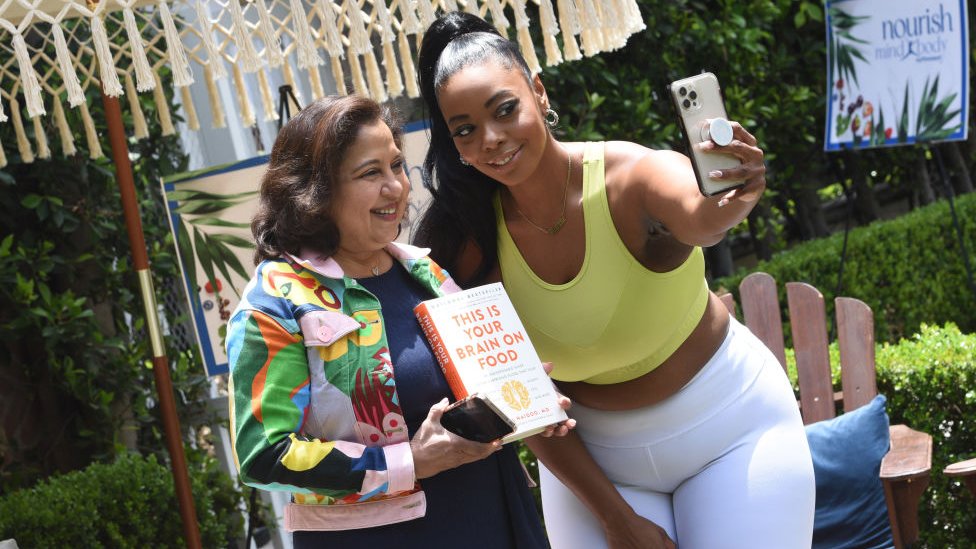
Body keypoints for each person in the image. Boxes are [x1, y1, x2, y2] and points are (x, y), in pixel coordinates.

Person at [414, 11, 815, 549]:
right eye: (464, 130)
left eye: (505, 110)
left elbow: (700, 216)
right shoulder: (466, 242)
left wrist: (731, 199)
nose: (490, 139)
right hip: (594, 466)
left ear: (538, 91)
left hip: (731, 432)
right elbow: (521, 400)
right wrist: (614, 517)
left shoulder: (630, 176)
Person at [226, 94, 568, 548]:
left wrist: (527, 401)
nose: (397, 188)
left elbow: (473, 394)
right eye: (371, 173)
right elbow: (263, 454)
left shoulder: (427, 272)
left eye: (396, 166)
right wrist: (410, 461)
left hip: (493, 513)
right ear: (315, 193)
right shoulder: (275, 303)